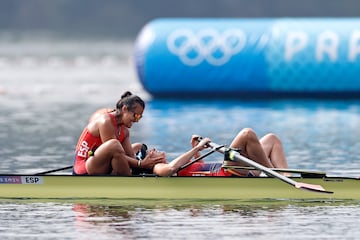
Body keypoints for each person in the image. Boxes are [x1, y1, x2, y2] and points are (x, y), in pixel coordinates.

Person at [73, 91, 165, 176]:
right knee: (114, 145)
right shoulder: (105, 121)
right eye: (136, 116)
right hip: (84, 167)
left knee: (138, 147)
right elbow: (113, 150)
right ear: (125, 109)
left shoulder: (124, 130)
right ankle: (130, 183)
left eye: (139, 118)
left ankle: (139, 174)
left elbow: (129, 156)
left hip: (100, 164)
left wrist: (147, 160)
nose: (137, 121)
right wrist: (140, 164)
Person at [148, 128, 289, 177]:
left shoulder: (172, 162)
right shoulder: (157, 168)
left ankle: (287, 176)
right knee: (247, 134)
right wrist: (196, 149)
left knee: (272, 139)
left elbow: (200, 170)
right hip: (227, 172)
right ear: (148, 161)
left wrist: (197, 151)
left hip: (235, 169)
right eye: (149, 152)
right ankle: (274, 175)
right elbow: (171, 169)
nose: (153, 149)